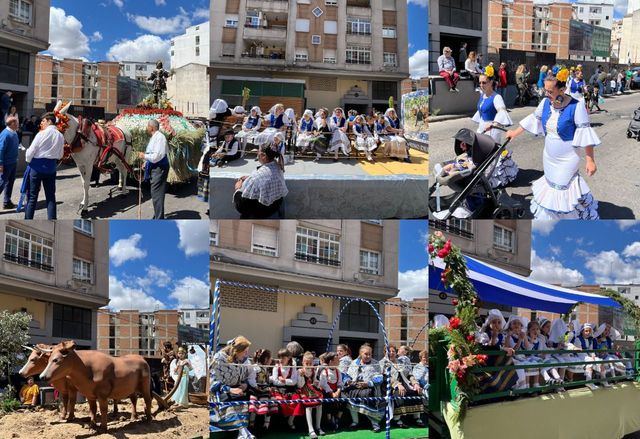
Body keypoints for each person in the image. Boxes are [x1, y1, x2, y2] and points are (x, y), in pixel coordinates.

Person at [506, 66, 600, 219]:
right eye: (545, 90)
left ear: (562, 89)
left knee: (562, 190)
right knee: (551, 187)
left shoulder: (576, 106)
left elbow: (585, 134)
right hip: (549, 157)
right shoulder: (545, 103)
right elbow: (532, 119)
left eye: (550, 91)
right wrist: (514, 133)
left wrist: (590, 160)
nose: (546, 94)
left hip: (568, 158)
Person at [472, 68, 517, 187]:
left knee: (490, 154)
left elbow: (501, 111)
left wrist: (494, 123)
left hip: (492, 129)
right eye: (480, 82)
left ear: (491, 82)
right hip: (482, 128)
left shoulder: (496, 97)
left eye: (484, 82)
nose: (481, 85)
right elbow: (482, 110)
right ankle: (482, 176)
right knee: (481, 152)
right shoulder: (483, 95)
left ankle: (492, 179)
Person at [211, 336, 253, 438]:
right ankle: (244, 433)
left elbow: (245, 377)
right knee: (232, 401)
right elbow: (213, 383)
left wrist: (245, 385)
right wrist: (230, 389)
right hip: (220, 392)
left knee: (246, 398)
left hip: (237, 390)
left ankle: (242, 433)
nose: (247, 354)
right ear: (237, 351)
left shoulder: (240, 360)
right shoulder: (219, 358)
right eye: (245, 351)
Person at [24, 112, 64, 220]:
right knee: (51, 197)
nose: (41, 123)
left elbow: (30, 152)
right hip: (51, 168)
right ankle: (52, 220)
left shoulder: (41, 134)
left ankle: (28, 220)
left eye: (43, 121)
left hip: (36, 168)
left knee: (32, 198)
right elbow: (60, 155)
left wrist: (28, 160)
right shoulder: (60, 135)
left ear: (49, 121)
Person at [233, 141, 288, 218]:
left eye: (258, 151)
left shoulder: (256, 178)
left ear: (263, 156)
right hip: (275, 210)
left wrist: (238, 189)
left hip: (261, 215)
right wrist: (250, 177)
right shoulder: (277, 166)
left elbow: (242, 207)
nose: (257, 153)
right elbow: (266, 176)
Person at [343, 344, 384, 433]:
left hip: (369, 387)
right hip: (355, 387)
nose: (368, 356)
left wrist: (368, 384)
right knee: (348, 393)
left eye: (370, 354)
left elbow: (380, 378)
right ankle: (355, 422)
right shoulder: (354, 363)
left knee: (369, 395)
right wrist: (348, 381)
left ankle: (375, 424)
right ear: (360, 354)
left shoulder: (376, 363)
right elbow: (348, 375)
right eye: (366, 354)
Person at [138, 119, 169, 219]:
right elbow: (152, 153)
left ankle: (159, 218)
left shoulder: (160, 138)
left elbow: (156, 157)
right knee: (156, 193)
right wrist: (146, 162)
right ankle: (158, 215)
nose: (146, 128)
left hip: (159, 168)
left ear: (151, 127)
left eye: (147, 126)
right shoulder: (154, 137)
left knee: (157, 194)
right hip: (155, 167)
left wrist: (144, 156)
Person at [247, 349, 277, 431]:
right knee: (255, 403)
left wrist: (271, 383)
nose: (271, 359)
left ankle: (266, 424)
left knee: (271, 400)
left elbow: (266, 380)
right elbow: (252, 379)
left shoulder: (265, 368)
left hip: (265, 390)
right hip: (256, 390)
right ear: (266, 359)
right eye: (270, 358)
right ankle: (251, 424)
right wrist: (257, 387)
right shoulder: (256, 368)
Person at [270, 348, 299, 430]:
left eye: (283, 357)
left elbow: (294, 381)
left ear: (288, 358)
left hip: (290, 389)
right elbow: (275, 382)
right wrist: (286, 382)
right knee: (280, 401)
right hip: (278, 389)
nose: (281, 359)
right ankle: (280, 424)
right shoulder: (276, 366)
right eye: (280, 357)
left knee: (296, 400)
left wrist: (284, 380)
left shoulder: (292, 367)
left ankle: (290, 421)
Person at [296, 352, 324, 439]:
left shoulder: (313, 370)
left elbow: (315, 382)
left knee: (319, 404)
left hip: (312, 389)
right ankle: (310, 429)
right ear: (303, 363)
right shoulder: (299, 370)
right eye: (306, 363)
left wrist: (317, 383)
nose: (308, 365)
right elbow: (299, 385)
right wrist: (301, 376)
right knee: (309, 406)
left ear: (313, 363)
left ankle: (318, 427)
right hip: (303, 390)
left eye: (310, 363)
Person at [572, 323, 604, 390]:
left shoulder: (590, 340)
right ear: (582, 331)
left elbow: (590, 350)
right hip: (580, 356)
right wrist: (590, 357)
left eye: (589, 331)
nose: (588, 332)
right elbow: (579, 352)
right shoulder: (578, 339)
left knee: (600, 361)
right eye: (586, 331)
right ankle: (588, 381)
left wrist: (593, 355)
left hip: (586, 355)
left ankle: (603, 380)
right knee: (590, 361)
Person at [317, 352, 343, 431]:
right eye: (337, 360)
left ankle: (337, 418)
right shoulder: (324, 371)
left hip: (336, 391)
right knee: (328, 400)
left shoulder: (338, 371)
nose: (339, 361)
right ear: (331, 361)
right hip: (326, 391)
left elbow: (340, 383)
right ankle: (329, 421)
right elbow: (324, 384)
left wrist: (338, 392)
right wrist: (332, 393)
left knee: (344, 399)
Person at [0, 116, 20, 209]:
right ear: (12, 123)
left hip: (13, 162)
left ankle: (7, 202)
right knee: (2, 183)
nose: (18, 124)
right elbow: (1, 150)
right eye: (16, 122)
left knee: (10, 182)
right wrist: (0, 164)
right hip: (6, 163)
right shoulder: (5, 134)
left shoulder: (14, 133)